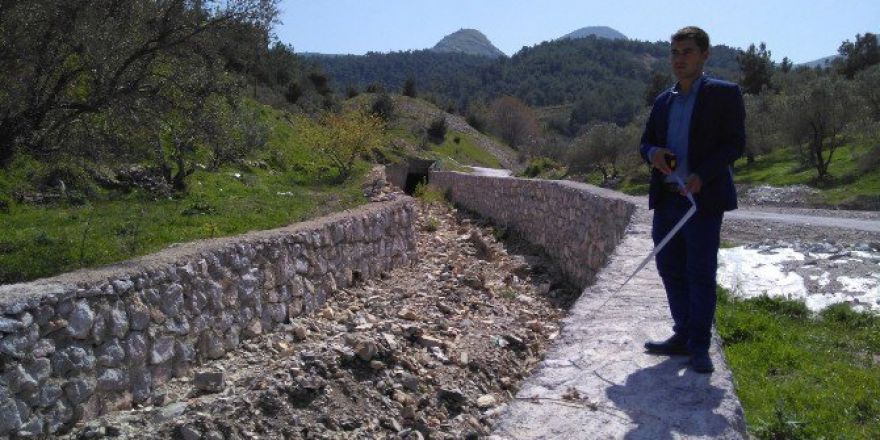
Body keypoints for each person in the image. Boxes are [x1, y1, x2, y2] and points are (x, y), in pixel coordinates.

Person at [639, 26, 745, 373]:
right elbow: (645, 143)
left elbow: (734, 144)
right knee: (669, 268)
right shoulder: (663, 101)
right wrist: (654, 153)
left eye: (687, 52)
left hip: (702, 202)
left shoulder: (724, 94)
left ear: (704, 55)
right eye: (674, 52)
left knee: (700, 273)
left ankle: (700, 345)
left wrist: (703, 175)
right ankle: (683, 333)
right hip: (667, 200)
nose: (679, 59)